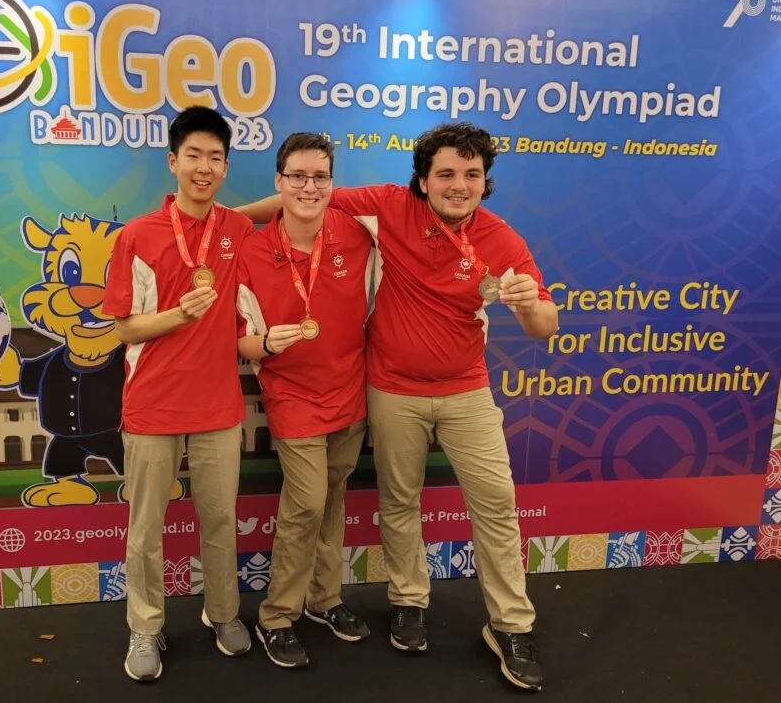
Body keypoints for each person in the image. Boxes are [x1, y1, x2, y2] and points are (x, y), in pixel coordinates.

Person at [237, 122, 557, 691]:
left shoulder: (502, 239)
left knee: (496, 504)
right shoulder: (388, 206)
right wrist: (227, 222)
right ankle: (407, 602)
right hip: (389, 389)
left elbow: (544, 326)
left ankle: (511, 625)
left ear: (485, 181)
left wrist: (530, 305)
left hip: (465, 389)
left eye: (472, 175)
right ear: (423, 180)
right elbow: (305, 196)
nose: (458, 185)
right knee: (397, 501)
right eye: (446, 173)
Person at [104, 106, 254, 682]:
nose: (204, 167)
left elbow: (281, 209)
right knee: (146, 528)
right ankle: (145, 626)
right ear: (173, 161)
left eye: (215, 158)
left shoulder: (236, 230)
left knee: (219, 519)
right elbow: (124, 328)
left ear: (225, 167)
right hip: (152, 405)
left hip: (218, 406)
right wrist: (177, 316)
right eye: (193, 155)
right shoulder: (137, 235)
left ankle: (224, 612)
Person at [235, 133, 374, 668]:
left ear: (332, 183)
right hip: (292, 393)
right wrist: (268, 343)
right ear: (279, 181)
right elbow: (240, 341)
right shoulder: (251, 251)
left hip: (350, 388)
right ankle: (276, 615)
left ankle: (325, 598)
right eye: (297, 176)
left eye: (319, 177)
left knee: (333, 497)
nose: (308, 187)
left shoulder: (357, 232)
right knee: (307, 503)